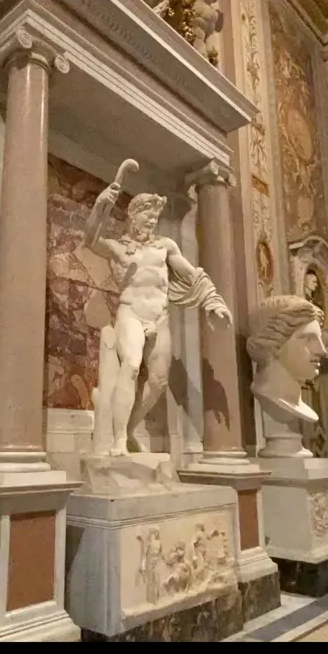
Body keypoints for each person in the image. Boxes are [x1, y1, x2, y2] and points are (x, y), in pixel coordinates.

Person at [86, 184, 232, 455]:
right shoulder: (119, 248)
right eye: (147, 215)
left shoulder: (165, 246)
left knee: (158, 383)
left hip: (159, 318)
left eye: (155, 217)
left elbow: (191, 274)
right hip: (131, 313)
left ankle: (129, 429)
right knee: (131, 365)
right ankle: (118, 439)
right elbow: (91, 240)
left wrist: (212, 300)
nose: (152, 221)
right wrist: (99, 205)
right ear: (133, 215)